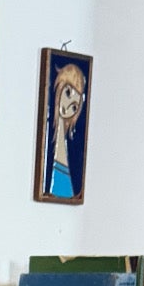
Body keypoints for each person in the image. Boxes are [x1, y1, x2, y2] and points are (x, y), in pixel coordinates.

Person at [46, 59, 86, 196]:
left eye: (74, 106)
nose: (68, 107)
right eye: (68, 93)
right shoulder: (49, 140)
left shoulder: (74, 153)